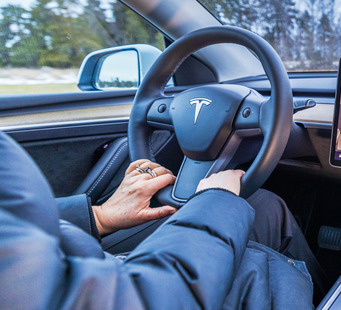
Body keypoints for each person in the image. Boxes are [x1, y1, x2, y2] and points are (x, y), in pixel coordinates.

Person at [0, 131, 321, 309]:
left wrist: (97, 217)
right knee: (262, 209)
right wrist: (217, 201)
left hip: (79, 266)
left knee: (260, 205)